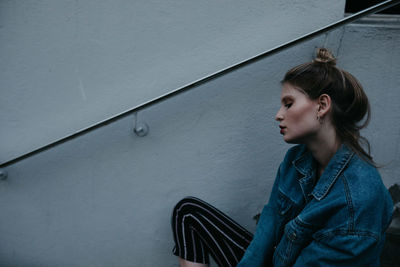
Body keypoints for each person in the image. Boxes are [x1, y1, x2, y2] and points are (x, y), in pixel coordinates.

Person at [170, 48, 393, 267]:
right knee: (188, 212)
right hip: (280, 259)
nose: (278, 115)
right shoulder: (296, 160)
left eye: (288, 104)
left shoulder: (357, 202)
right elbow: (268, 228)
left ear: (322, 105)